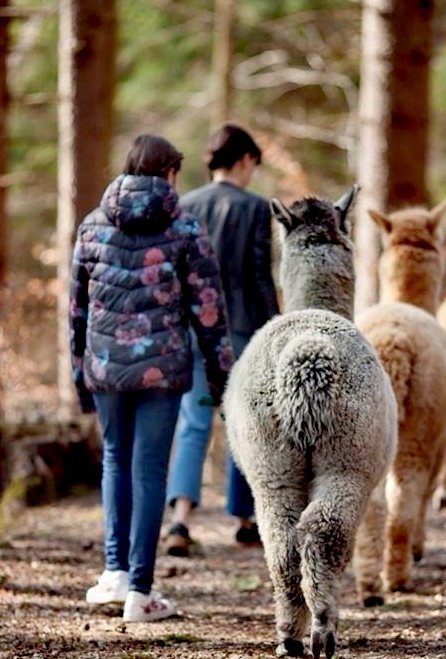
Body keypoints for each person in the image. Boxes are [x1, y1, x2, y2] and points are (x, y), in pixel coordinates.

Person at [70, 134, 233, 621]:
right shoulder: (185, 227)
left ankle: (114, 574)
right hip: (162, 367)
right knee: (148, 471)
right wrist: (222, 374)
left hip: (104, 367)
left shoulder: (93, 225)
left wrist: (78, 375)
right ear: (168, 173)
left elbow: (76, 310)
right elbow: (208, 308)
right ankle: (141, 592)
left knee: (115, 461)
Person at [163, 124, 280, 556]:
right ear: (246, 160)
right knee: (242, 423)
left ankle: (180, 520)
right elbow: (258, 274)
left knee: (193, 422)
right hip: (243, 330)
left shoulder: (185, 204)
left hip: (194, 329)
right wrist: (275, 328)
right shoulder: (256, 208)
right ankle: (244, 517)